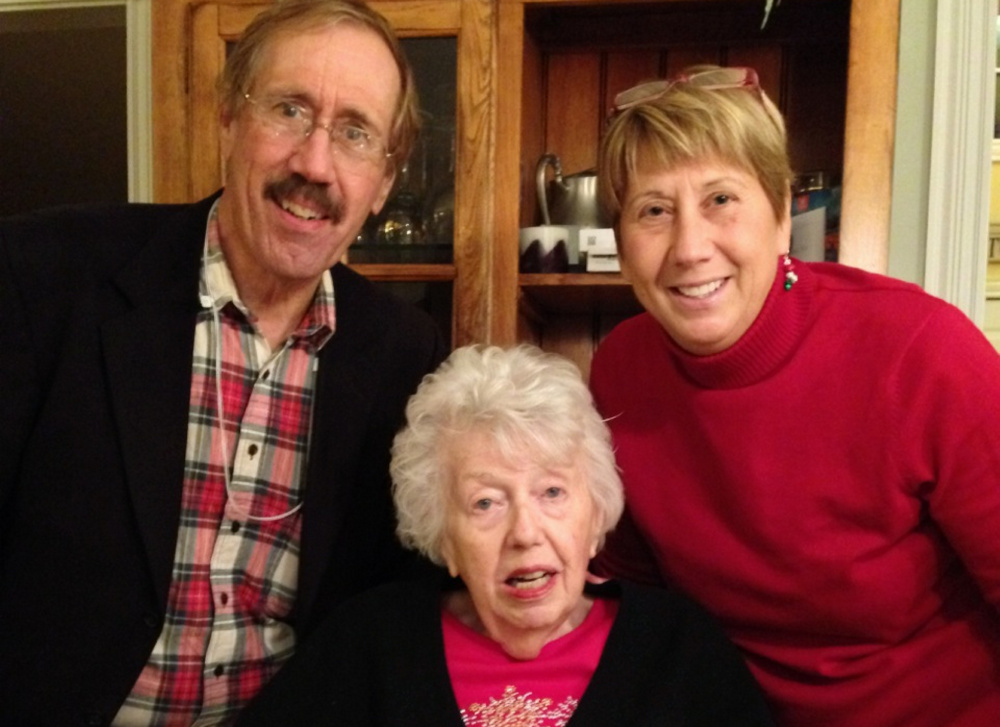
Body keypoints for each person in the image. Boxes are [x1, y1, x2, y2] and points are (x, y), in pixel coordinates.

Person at [0, 2, 446, 725]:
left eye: (356, 133)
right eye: (290, 110)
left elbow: (397, 610)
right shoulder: (44, 276)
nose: (314, 163)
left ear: (386, 182)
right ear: (228, 118)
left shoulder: (404, 354)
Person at [589, 64, 1000, 727]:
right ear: (623, 245)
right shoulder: (619, 374)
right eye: (654, 210)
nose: (691, 247)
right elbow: (632, 601)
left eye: (721, 199)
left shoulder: (921, 351)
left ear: (782, 214)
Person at [236, 344, 775, 727]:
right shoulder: (368, 645)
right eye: (486, 503)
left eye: (553, 493)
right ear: (444, 538)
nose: (524, 532)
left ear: (596, 518)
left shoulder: (678, 650)